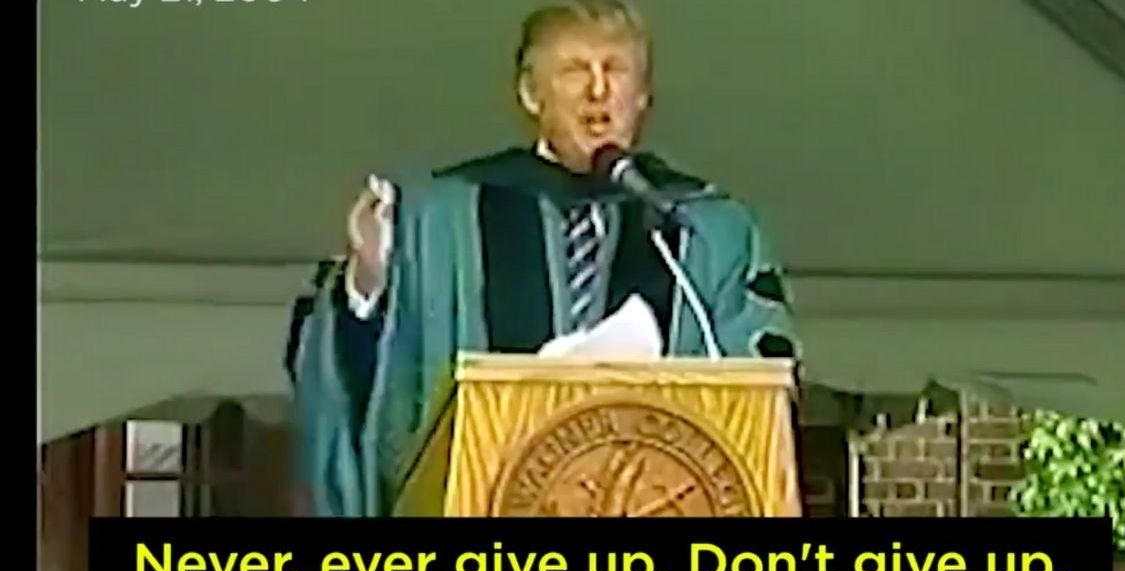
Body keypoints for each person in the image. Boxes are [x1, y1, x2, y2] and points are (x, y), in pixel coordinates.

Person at [286, 0, 801, 517]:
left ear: (642, 97)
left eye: (616, 70)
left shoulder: (705, 229)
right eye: (575, 71)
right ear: (532, 94)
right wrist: (367, 284)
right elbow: (360, 387)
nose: (599, 92)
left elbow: (760, 399)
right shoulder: (441, 220)